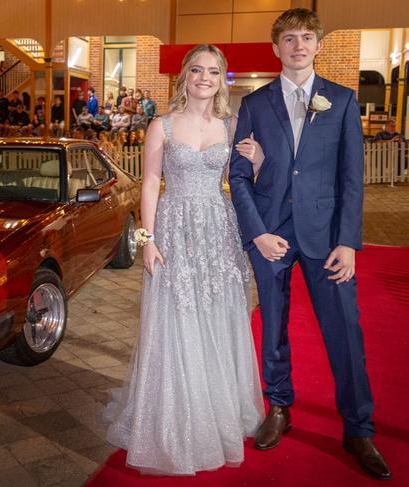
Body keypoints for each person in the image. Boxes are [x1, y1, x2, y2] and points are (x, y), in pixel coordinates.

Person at [228, 8, 391, 481]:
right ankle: (279, 406)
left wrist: (349, 242)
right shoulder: (255, 104)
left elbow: (351, 179)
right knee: (273, 328)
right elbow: (238, 176)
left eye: (306, 38)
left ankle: (358, 428)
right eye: (289, 39)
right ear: (275, 48)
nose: (298, 45)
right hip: (272, 234)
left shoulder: (341, 101)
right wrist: (257, 233)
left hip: (327, 239)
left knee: (345, 331)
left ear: (318, 46)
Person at [104, 44, 264, 475]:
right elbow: (151, 183)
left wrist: (259, 160)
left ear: (221, 78)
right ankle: (176, 418)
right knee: (176, 317)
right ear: (185, 76)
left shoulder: (232, 126)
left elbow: (249, 180)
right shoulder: (162, 125)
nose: (205, 78)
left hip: (216, 227)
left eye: (213, 71)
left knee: (218, 313)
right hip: (174, 228)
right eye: (197, 70)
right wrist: (147, 238)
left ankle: (219, 411)